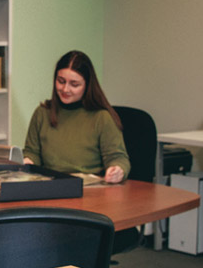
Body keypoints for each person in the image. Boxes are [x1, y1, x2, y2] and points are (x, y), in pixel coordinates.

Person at [23, 50, 130, 183]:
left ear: (87, 85)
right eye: (61, 81)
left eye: (74, 84)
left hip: (89, 190)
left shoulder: (101, 117)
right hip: (50, 185)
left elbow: (118, 158)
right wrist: (26, 162)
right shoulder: (42, 113)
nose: (65, 89)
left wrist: (117, 170)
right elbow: (32, 152)